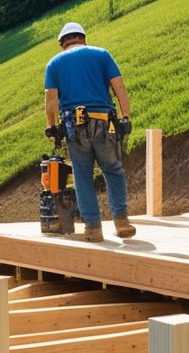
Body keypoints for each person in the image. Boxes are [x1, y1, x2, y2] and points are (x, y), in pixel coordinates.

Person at [44, 21, 136, 242]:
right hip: (103, 122)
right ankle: (121, 221)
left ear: (62, 43)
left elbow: (50, 99)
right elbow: (119, 87)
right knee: (113, 169)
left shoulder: (54, 63)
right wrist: (125, 117)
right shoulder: (101, 54)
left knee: (82, 175)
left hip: (74, 126)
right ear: (82, 38)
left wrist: (52, 126)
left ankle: (93, 228)